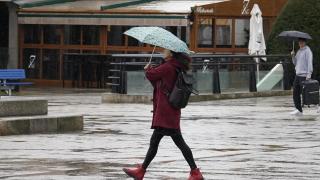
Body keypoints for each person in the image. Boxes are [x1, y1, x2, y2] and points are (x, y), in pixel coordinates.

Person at [123, 49, 204, 180]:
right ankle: (141, 171)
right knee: (157, 142)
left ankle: (195, 172)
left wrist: (148, 69)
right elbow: (158, 84)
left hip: (166, 113)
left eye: (165, 50)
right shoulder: (175, 66)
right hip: (170, 111)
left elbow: (151, 75)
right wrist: (151, 71)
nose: (163, 52)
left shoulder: (168, 67)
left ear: (171, 53)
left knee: (174, 142)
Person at [290, 38, 313, 116]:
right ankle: (298, 109)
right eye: (299, 42)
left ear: (305, 42)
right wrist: (293, 56)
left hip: (304, 76)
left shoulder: (308, 51)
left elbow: (309, 63)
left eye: (302, 42)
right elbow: (295, 63)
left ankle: (318, 106)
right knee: (295, 93)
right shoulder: (299, 51)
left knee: (307, 94)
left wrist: (309, 75)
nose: (300, 44)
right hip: (298, 75)